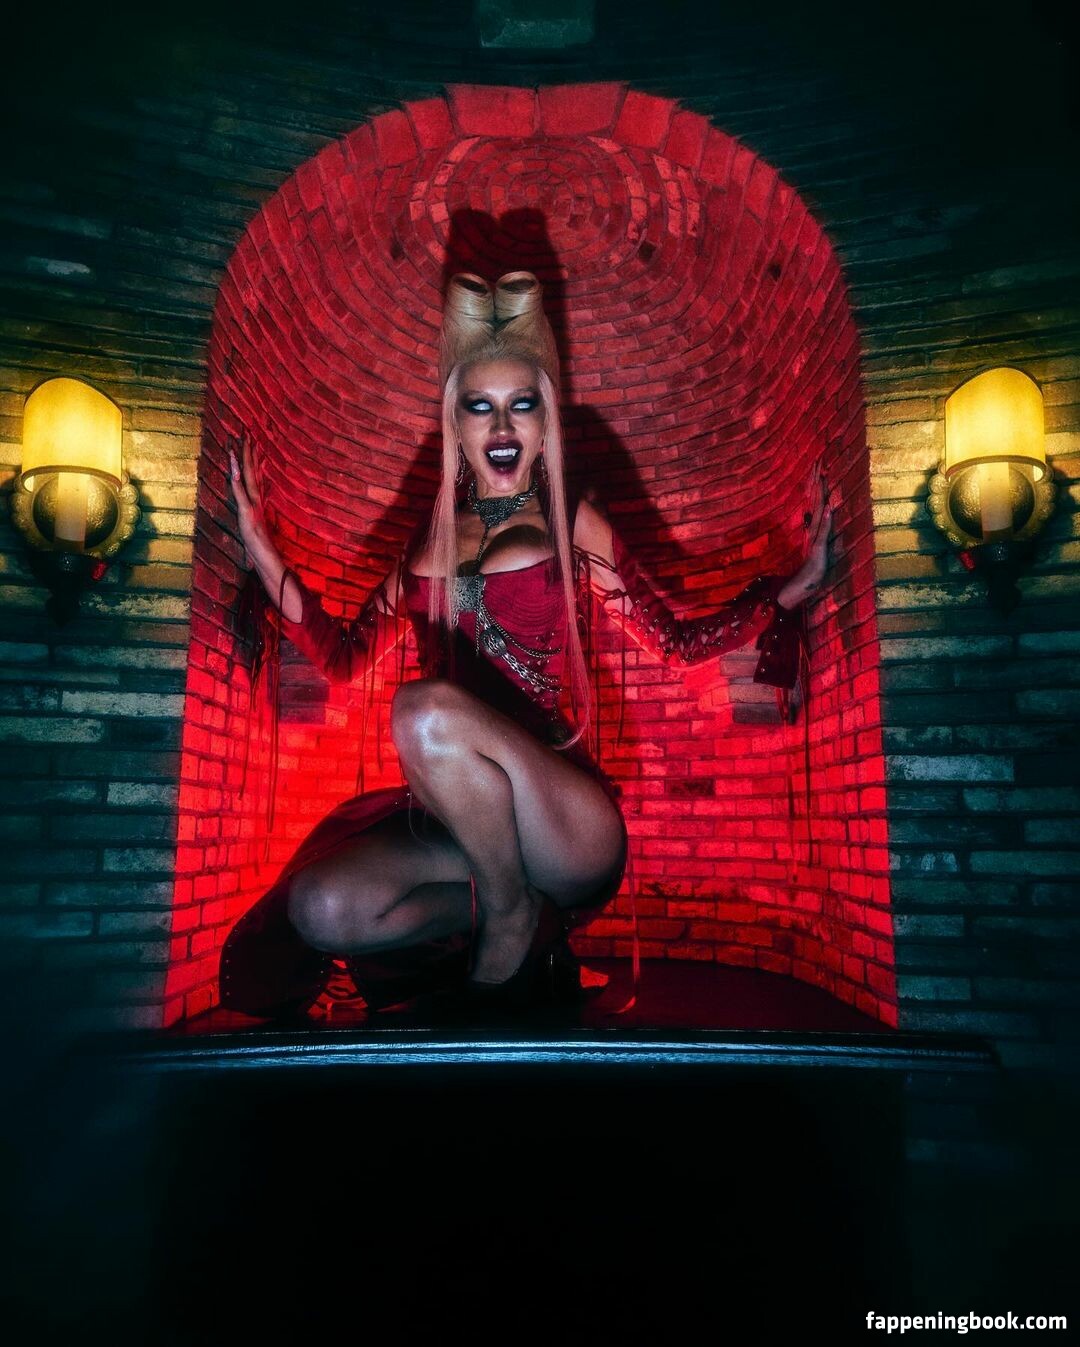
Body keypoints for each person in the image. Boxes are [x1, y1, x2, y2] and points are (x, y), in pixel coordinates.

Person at [219, 270, 832, 1020]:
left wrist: (791, 590)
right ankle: (517, 911)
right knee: (320, 907)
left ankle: (510, 915)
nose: (502, 426)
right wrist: (260, 547)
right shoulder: (425, 541)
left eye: (522, 405)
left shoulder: (572, 520)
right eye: (480, 406)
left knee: (422, 712)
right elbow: (343, 656)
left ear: (545, 425)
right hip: (464, 829)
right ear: (456, 426)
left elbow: (675, 643)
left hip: (562, 822)